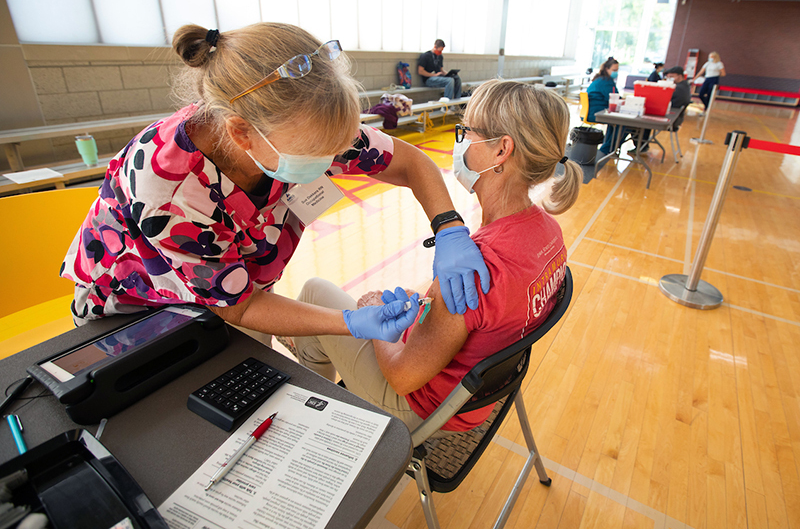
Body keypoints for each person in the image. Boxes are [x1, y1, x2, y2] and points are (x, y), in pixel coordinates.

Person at [60, 22, 491, 346]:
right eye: (316, 155)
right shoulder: (171, 190)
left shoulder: (305, 125)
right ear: (242, 133)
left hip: (237, 292)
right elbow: (239, 308)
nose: (331, 161)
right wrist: (349, 322)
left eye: (335, 148)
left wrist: (450, 228)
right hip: (139, 317)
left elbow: (411, 162)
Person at [288, 80, 581, 432]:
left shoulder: (473, 274)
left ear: (501, 150)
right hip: (474, 398)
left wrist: (370, 313)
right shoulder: (548, 231)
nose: (460, 142)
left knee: (314, 293)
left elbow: (401, 377)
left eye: (466, 131)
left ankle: (308, 416)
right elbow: (488, 316)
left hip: (425, 410)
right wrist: (429, 307)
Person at [633, 65, 693, 152]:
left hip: (670, 120)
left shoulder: (677, 88)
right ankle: (642, 146)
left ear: (679, 76)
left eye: (671, 76)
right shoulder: (685, 86)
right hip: (675, 117)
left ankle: (641, 147)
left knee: (637, 122)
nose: (668, 79)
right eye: (667, 77)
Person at [586, 57, 621, 156]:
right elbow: (614, 98)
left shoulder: (600, 79)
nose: (616, 72)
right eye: (614, 70)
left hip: (594, 111)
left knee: (616, 122)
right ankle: (607, 149)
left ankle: (609, 148)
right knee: (623, 123)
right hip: (596, 113)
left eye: (617, 70)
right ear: (607, 69)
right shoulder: (606, 81)